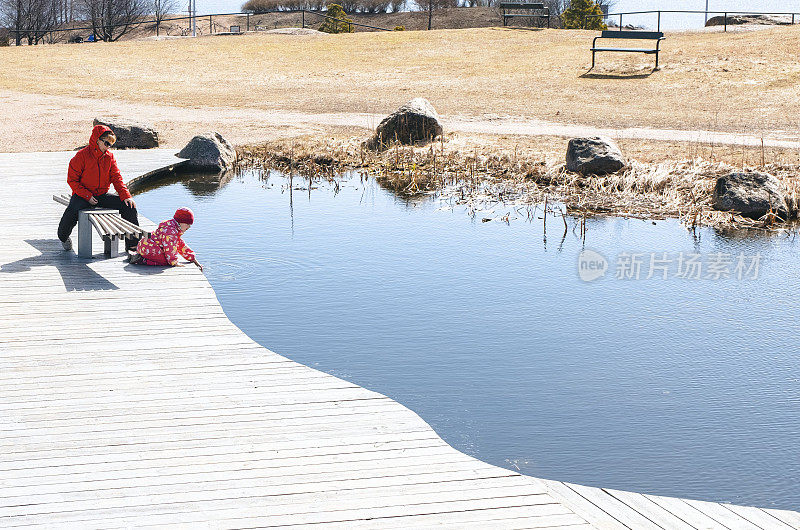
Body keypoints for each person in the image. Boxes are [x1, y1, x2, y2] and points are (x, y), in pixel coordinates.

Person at [57, 125, 139, 252]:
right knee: (72, 211)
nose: (108, 147)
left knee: (129, 206)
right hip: (83, 195)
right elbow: (72, 180)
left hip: (101, 195)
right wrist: (87, 196)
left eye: (111, 144)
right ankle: (63, 237)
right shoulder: (81, 156)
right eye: (106, 143)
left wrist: (126, 195)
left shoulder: (109, 157)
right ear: (97, 140)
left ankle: (133, 246)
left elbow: (117, 178)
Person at [130, 207, 203, 271]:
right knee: (165, 261)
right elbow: (170, 248)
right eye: (187, 224)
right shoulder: (170, 232)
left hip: (145, 246)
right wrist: (174, 262)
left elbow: (180, 244)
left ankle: (139, 256)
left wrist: (192, 258)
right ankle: (142, 260)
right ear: (181, 222)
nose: (189, 227)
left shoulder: (173, 228)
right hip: (149, 248)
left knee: (167, 257)